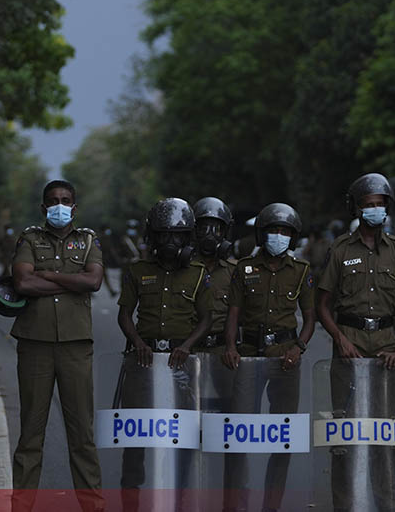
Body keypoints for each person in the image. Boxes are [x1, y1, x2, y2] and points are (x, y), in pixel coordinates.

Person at [316, 173, 395, 512]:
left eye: (380, 205)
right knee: (344, 435)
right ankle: (345, 505)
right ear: (357, 208)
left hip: (385, 353)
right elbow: (322, 305)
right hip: (349, 351)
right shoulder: (339, 250)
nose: (375, 211)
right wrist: (340, 339)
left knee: (383, 433)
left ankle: (384, 502)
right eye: (368, 205)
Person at [7, 179, 104, 510]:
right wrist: (69, 283)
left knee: (82, 436)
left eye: (65, 200)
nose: (59, 205)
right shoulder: (29, 238)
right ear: (43, 207)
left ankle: (93, 506)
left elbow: (93, 281)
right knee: (31, 434)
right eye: (53, 200)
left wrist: (47, 275)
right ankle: (21, 506)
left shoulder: (88, 240)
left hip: (76, 347)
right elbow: (21, 281)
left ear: (74, 207)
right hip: (35, 344)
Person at [116, 198, 213, 512]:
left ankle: (180, 497)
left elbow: (206, 318)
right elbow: (124, 315)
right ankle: (130, 499)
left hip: (180, 366)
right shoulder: (137, 271)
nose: (170, 242)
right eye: (164, 235)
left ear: (188, 239)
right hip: (143, 363)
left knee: (182, 435)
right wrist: (138, 342)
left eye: (178, 236)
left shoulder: (198, 275)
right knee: (135, 437)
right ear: (152, 237)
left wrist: (186, 346)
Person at [221, 202, 316, 511]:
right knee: (239, 433)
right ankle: (235, 502)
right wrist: (231, 346)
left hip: (284, 358)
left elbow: (310, 318)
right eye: (274, 231)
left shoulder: (301, 271)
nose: (279, 236)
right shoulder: (244, 268)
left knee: (282, 435)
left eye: (285, 232)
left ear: (294, 237)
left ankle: (271, 504)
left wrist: (298, 348)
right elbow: (233, 313)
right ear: (262, 234)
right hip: (247, 355)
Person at [191, 196, 235, 352]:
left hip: (222, 350)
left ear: (225, 233)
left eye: (216, 229)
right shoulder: (184, 269)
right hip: (189, 349)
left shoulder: (234, 271)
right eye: (204, 229)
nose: (210, 235)